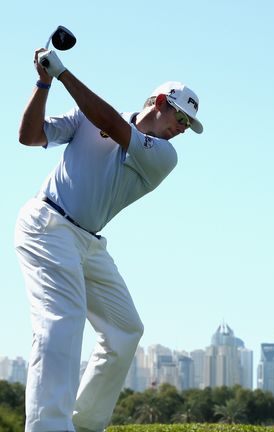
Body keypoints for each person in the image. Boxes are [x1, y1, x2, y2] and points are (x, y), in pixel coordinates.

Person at [15, 47, 203, 432]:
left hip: (87, 243)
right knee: (61, 321)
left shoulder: (165, 156)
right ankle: (48, 427)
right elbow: (29, 137)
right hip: (47, 224)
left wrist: (63, 72)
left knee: (125, 329)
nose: (182, 128)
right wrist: (43, 81)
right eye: (181, 117)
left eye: (188, 125)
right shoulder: (88, 117)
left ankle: (85, 425)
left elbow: (113, 126)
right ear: (160, 102)